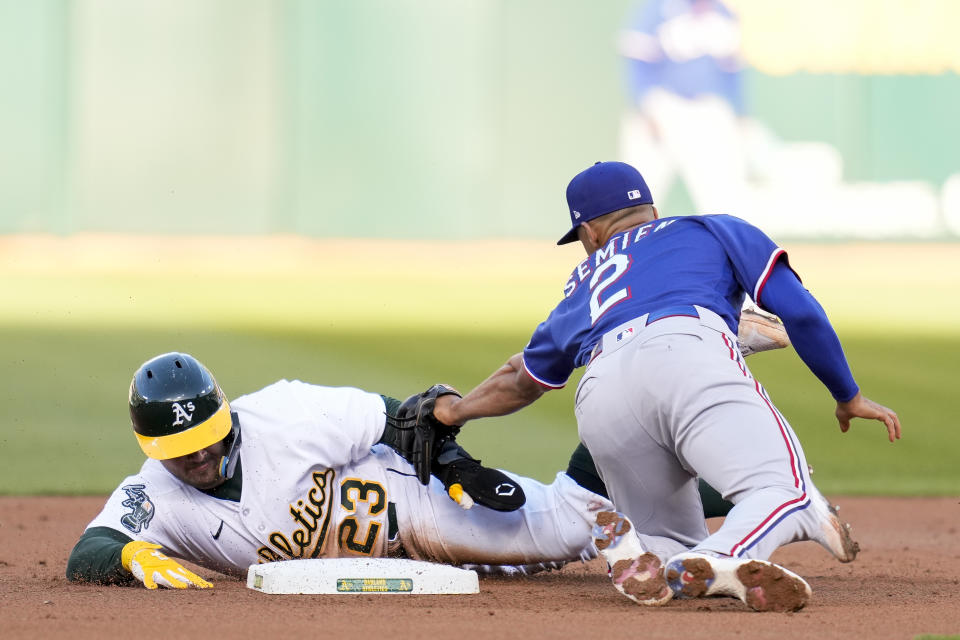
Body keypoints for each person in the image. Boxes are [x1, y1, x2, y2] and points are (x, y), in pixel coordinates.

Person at [432, 161, 901, 612]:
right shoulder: (711, 228)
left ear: (590, 231)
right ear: (652, 211)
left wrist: (454, 411)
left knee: (677, 540)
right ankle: (723, 556)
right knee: (790, 493)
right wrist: (847, 395)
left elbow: (523, 379)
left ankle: (657, 554)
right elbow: (799, 312)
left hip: (599, 396)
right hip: (685, 351)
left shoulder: (582, 284)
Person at [66, 352, 615, 588]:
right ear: (152, 448)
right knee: (515, 570)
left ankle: (626, 422)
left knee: (573, 526)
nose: (200, 457)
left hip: (414, 507)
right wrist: (130, 555)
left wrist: (452, 462)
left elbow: (398, 419)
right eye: (181, 450)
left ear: (224, 412)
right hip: (390, 567)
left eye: (206, 439)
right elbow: (89, 551)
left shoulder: (285, 414)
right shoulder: (156, 493)